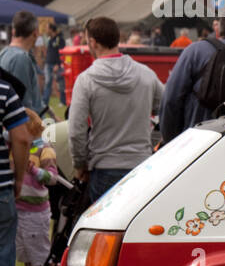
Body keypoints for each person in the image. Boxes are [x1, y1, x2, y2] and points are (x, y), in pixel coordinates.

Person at [69, 17, 165, 203]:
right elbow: (168, 106)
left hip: (104, 166)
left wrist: (79, 163)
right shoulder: (145, 74)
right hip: (141, 164)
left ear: (93, 42)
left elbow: (76, 129)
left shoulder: (86, 80)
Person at [160, 16, 225, 143]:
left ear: (219, 29)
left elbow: (171, 99)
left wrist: (170, 140)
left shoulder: (196, 50)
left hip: (193, 140)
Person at [0, 75, 31, 266]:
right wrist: (19, 178)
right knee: (3, 256)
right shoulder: (4, 90)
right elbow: (21, 137)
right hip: (1, 189)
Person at [16, 111, 58, 266]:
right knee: (25, 252)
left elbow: (52, 178)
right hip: (19, 208)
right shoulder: (16, 148)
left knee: (39, 252)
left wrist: (33, 171)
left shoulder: (43, 148)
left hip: (36, 211)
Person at [1, 11, 43, 114]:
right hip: (25, 126)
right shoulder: (20, 59)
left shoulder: (4, 53)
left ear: (13, 31)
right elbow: (22, 107)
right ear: (35, 33)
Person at [41, 21, 67, 111]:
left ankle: (63, 101)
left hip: (56, 65)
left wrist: (58, 64)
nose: (46, 30)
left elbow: (62, 53)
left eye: (47, 28)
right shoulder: (49, 39)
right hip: (48, 64)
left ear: (51, 29)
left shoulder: (60, 39)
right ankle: (44, 103)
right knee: (47, 83)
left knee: (61, 83)